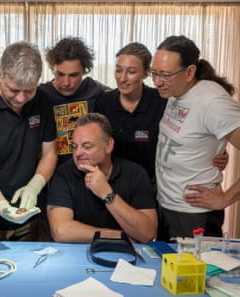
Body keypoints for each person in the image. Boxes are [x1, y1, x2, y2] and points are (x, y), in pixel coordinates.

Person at [95, 42, 228, 190]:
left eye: (131, 72)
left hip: (153, 188)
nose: (122, 78)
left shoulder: (163, 101)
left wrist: (219, 151)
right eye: (118, 70)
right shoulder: (103, 102)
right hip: (112, 184)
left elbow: (192, 128)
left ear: (147, 73)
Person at [0, 41, 57, 241]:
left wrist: (35, 185)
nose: (21, 98)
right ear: (0, 73)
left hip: (28, 214)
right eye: (13, 90)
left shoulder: (43, 101)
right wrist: (1, 206)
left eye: (29, 91)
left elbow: (50, 153)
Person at [151, 35, 240, 240]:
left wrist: (224, 199)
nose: (157, 82)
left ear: (190, 72)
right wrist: (217, 150)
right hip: (166, 207)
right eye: (154, 73)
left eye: (165, 75)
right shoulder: (173, 91)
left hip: (194, 215)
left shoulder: (213, 102)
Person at [47, 113, 157, 244]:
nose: (77, 153)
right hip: (78, 256)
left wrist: (107, 194)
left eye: (87, 146)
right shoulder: (64, 174)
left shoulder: (135, 174)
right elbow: (61, 231)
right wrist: (118, 236)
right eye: (74, 146)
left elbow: (148, 233)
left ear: (108, 145)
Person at [39, 37, 109, 167]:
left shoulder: (94, 89)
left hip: (87, 171)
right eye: (60, 74)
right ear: (52, 70)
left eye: (73, 75)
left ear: (84, 71)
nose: (66, 83)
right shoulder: (40, 95)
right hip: (52, 173)